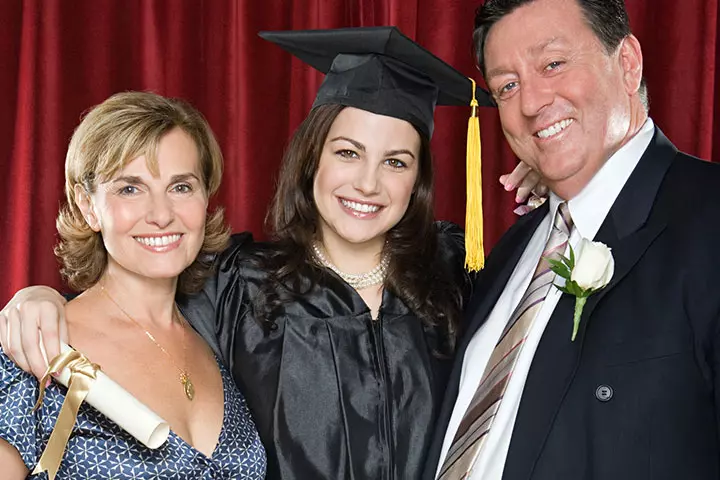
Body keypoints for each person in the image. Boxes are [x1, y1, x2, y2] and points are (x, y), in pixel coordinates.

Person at [0, 28, 545, 479]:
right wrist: (36, 297)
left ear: (418, 180)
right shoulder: (238, 286)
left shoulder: (457, 279)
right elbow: (131, 284)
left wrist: (556, 186)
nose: (368, 183)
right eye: (347, 152)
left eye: (397, 162)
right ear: (312, 159)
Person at [422, 0, 720, 479]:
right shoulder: (510, 255)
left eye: (553, 64)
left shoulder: (709, 221)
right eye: (507, 86)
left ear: (627, 63)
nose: (531, 102)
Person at [0, 91, 266, 479]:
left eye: (181, 187)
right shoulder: (35, 348)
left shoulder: (221, 337)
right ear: (88, 205)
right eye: (129, 188)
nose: (161, 214)